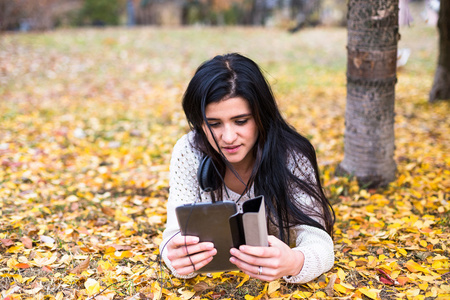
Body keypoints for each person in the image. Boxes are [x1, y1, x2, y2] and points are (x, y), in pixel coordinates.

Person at [159, 53, 335, 283]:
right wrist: (178, 259)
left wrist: (294, 262)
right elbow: (172, 236)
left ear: (261, 116)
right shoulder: (189, 151)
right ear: (200, 122)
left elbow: (318, 239)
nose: (228, 137)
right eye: (214, 124)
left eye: (241, 121)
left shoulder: (292, 155)